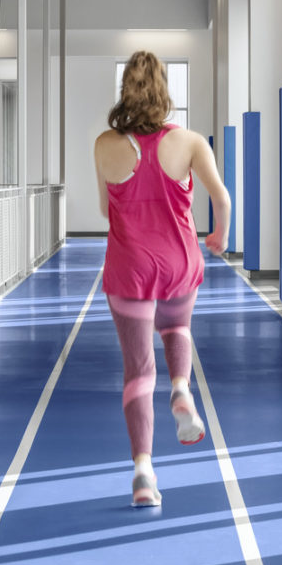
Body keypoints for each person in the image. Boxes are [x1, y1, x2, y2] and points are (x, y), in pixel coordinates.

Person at [94, 50, 232, 510]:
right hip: (179, 262)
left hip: (129, 266)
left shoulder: (104, 145)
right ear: (164, 88)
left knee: (137, 371)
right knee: (176, 328)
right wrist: (217, 237)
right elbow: (222, 199)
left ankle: (143, 475)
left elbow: (103, 210)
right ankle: (181, 390)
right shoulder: (191, 142)